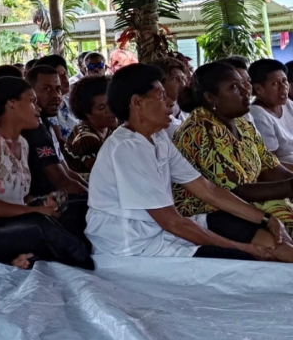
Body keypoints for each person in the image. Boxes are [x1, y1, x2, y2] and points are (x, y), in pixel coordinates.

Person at [86, 63, 293, 261]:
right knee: (247, 257)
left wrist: (266, 219)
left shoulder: (157, 138)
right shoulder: (127, 149)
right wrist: (243, 248)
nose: (169, 102)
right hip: (135, 245)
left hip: (162, 232)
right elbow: (171, 222)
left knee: (266, 236)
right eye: (160, 95)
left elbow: (208, 190)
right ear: (137, 103)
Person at [0, 77, 94, 270]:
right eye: (32, 101)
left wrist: (41, 202)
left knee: (79, 206)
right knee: (39, 225)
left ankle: (25, 256)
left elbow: (18, 199)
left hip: (7, 223)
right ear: (12, 104)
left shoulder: (22, 143)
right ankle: (90, 265)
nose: (38, 108)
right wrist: (36, 210)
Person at [173, 61, 293, 227]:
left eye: (244, 83)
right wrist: (290, 187)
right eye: (234, 87)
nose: (245, 91)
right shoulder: (200, 131)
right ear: (210, 97)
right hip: (212, 214)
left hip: (248, 204)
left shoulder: (241, 124)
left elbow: (271, 167)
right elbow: (237, 190)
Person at [23, 64, 89, 235]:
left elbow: (68, 173)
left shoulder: (46, 125)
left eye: (58, 89)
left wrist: (93, 191)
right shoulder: (34, 130)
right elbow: (62, 181)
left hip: (54, 200)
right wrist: (98, 200)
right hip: (42, 206)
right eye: (47, 89)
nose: (56, 96)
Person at [64, 75, 116, 178]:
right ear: (87, 113)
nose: (110, 110)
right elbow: (103, 172)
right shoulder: (85, 138)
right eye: (102, 108)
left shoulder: (110, 124)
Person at [248, 59, 293, 166]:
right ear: (259, 89)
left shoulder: (287, 104)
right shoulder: (257, 115)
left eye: (284, 81)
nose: (283, 87)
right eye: (275, 83)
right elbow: (271, 164)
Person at [37, 54, 76, 139]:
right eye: (59, 76)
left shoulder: (71, 101)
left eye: (65, 74)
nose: (65, 78)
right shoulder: (48, 108)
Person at [151, 56, 188, 135]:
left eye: (184, 78)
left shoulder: (186, 108)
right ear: (160, 83)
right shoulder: (154, 115)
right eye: (175, 79)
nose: (183, 83)